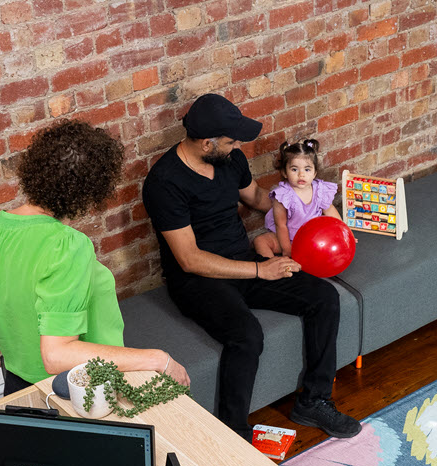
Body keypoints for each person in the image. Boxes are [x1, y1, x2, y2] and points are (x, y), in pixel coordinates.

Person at [141, 93, 360, 439]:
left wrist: (308, 213)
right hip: (197, 280)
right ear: (206, 142)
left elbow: (259, 199)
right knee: (246, 334)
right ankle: (234, 434)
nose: (237, 145)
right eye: (230, 141)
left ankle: (314, 402)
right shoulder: (164, 182)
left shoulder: (231, 160)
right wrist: (261, 270)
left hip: (243, 262)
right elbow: (189, 258)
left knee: (324, 297)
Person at [0, 120, 187, 395]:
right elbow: (56, 356)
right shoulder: (66, 245)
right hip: (75, 391)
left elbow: (3, 310)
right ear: (93, 189)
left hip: (17, 384)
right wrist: (156, 358)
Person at [251, 138, 343, 259]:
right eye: (294, 169)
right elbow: (281, 225)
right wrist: (287, 249)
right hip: (288, 239)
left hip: (313, 239)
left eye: (307, 169)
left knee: (331, 241)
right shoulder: (282, 195)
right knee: (260, 241)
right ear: (284, 172)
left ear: (315, 173)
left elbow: (330, 212)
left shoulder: (320, 190)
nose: (301, 174)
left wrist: (344, 232)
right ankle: (275, 266)